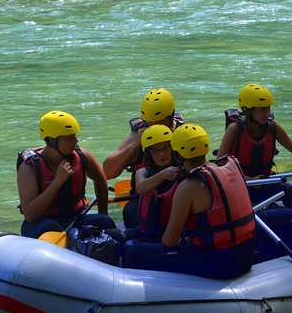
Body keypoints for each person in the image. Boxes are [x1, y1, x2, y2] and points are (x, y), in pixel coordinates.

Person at [121, 124, 256, 279]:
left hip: (220, 264)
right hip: (246, 256)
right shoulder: (228, 167)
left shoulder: (188, 186)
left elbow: (169, 242)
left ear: (177, 154)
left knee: (131, 250)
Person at [16, 110, 115, 238]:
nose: (75, 141)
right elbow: (30, 215)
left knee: (105, 222)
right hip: (42, 223)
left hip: (75, 218)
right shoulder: (29, 167)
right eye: (68, 138)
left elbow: (100, 180)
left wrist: (103, 213)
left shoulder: (82, 155)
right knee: (51, 228)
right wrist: (57, 183)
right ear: (51, 141)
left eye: (74, 135)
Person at [102, 88, 184, 228]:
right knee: (130, 211)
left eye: (159, 123)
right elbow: (108, 172)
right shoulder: (138, 134)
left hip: (179, 198)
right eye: (149, 123)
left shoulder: (183, 133)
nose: (153, 127)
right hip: (144, 200)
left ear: (171, 118)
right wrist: (135, 144)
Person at [216, 83, 292, 206]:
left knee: (290, 191)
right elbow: (220, 163)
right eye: (262, 109)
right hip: (240, 185)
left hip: (264, 182)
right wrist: (248, 179)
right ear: (248, 110)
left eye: (268, 108)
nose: (267, 113)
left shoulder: (273, 128)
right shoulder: (234, 129)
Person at [129, 125, 184, 240]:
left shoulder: (182, 170)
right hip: (149, 230)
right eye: (155, 150)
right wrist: (163, 174)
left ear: (172, 148)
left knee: (130, 250)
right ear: (148, 153)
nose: (161, 155)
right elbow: (140, 188)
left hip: (174, 234)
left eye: (165, 148)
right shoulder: (142, 172)